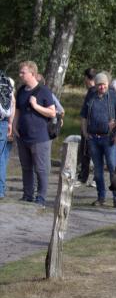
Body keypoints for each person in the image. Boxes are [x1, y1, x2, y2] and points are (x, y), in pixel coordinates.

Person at [13, 61, 56, 208]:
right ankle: (27, 195)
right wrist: (14, 125)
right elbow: (18, 110)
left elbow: (52, 112)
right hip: (23, 135)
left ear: (32, 73)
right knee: (26, 167)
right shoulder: (20, 91)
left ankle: (41, 197)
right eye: (20, 72)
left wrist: (36, 106)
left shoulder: (44, 91)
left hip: (40, 137)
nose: (20, 75)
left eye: (22, 72)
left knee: (41, 168)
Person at [80, 72, 116, 207]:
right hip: (93, 139)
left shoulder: (115, 97)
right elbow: (83, 116)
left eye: (104, 84)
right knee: (98, 171)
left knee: (112, 168)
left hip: (109, 139)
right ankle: (101, 197)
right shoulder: (91, 95)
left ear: (107, 84)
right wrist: (85, 132)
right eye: (99, 84)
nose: (101, 87)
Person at [77, 68, 96, 187]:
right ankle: (84, 177)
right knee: (85, 153)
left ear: (87, 79)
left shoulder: (93, 91)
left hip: (91, 127)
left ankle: (87, 178)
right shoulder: (91, 91)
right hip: (88, 126)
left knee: (88, 153)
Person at [0, 75, 15, 199]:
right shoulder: (7, 81)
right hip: (3, 122)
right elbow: (13, 102)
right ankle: (0, 190)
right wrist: (10, 123)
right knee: (1, 158)